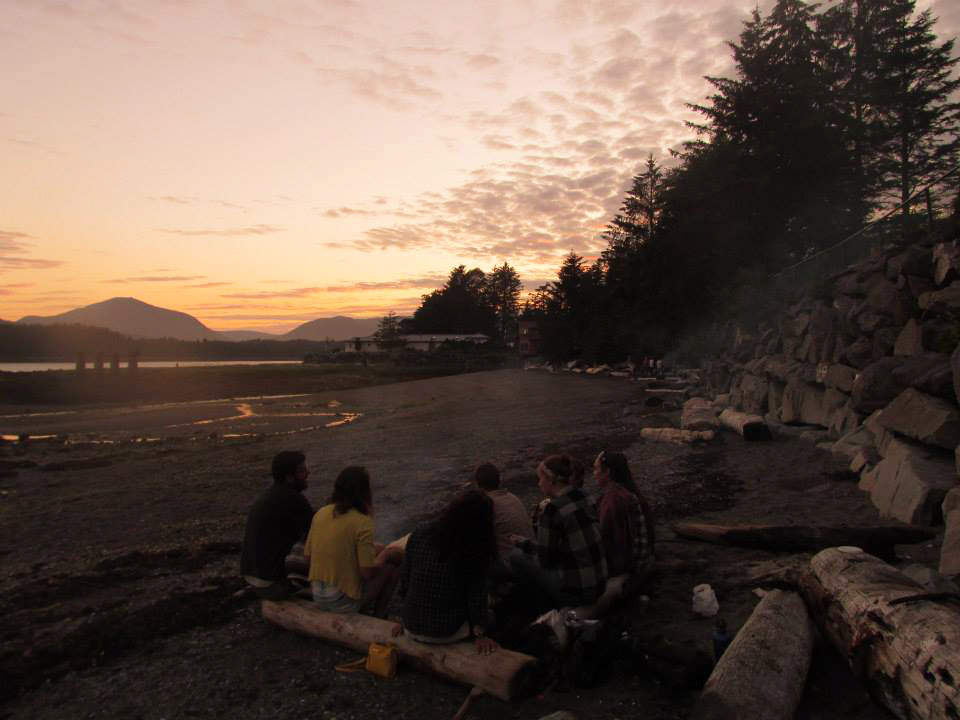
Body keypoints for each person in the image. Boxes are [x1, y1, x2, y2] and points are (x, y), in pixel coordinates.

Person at [393, 489, 499, 655]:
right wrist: (481, 634)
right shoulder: (475, 546)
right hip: (446, 631)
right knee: (493, 615)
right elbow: (476, 597)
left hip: (411, 624)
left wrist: (402, 616)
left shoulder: (421, 531)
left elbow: (405, 576)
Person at [510, 454, 607, 608]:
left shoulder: (552, 509)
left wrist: (526, 546)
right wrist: (526, 543)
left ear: (552, 480)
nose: (538, 483)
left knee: (515, 557)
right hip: (600, 583)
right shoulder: (585, 495)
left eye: (540, 478)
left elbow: (546, 560)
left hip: (578, 592)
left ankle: (537, 607)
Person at [304, 466, 400, 617]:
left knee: (379, 548)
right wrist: (385, 555)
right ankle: (379, 615)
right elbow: (367, 573)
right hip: (341, 602)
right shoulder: (362, 521)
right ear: (365, 492)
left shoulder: (321, 513)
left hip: (318, 595)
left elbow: (308, 558)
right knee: (391, 565)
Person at [240, 450, 314, 599]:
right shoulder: (292, 500)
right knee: (320, 542)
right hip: (273, 586)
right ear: (289, 477)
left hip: (252, 577)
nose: (308, 473)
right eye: (302, 470)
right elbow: (322, 530)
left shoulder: (272, 494)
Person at [594, 450, 655, 583]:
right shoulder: (628, 491)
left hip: (631, 568)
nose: (594, 473)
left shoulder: (614, 499)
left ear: (608, 472)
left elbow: (616, 544)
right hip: (643, 560)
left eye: (596, 468)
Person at [474, 462, 532, 563]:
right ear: (499, 480)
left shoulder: (486, 504)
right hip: (532, 555)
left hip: (514, 565)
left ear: (478, 485)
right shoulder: (512, 497)